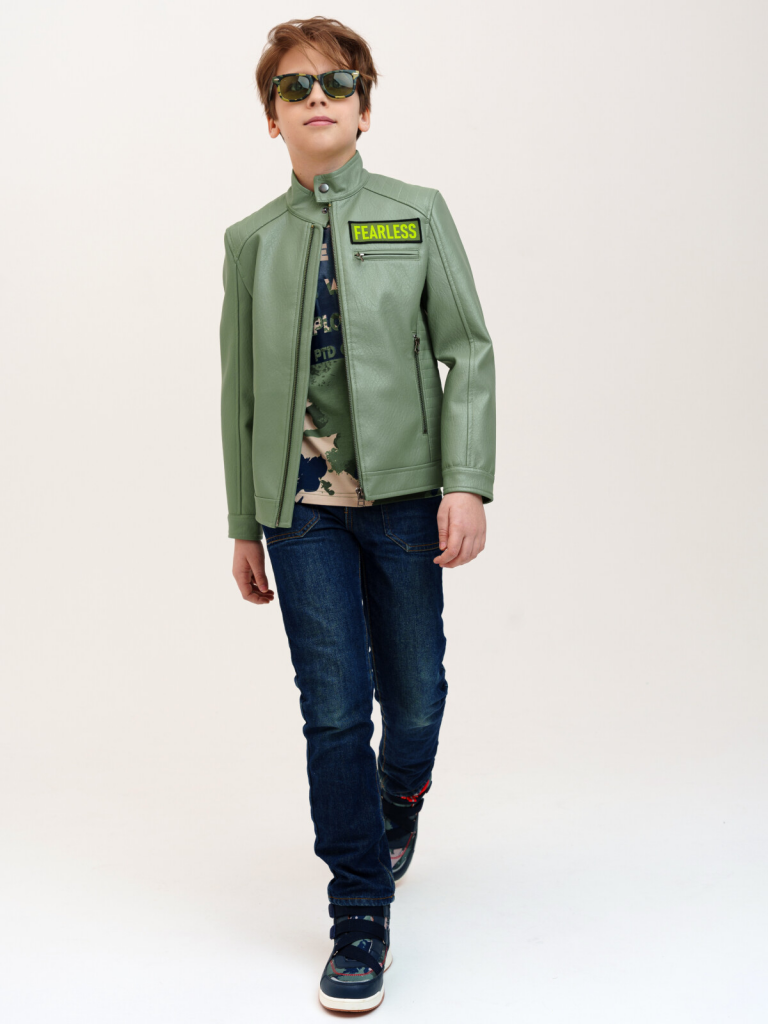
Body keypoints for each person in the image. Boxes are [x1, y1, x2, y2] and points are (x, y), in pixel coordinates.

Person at [218, 15, 496, 1013]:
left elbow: (469, 350)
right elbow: (238, 394)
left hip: (408, 499)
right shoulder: (250, 242)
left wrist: (465, 479)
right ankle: (359, 910)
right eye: (294, 87)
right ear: (272, 117)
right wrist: (243, 521)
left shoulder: (415, 214)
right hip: (300, 512)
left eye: (337, 82)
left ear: (365, 107)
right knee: (334, 707)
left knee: (414, 695)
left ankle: (400, 794)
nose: (317, 98)